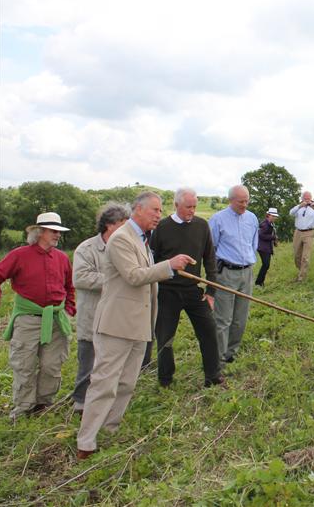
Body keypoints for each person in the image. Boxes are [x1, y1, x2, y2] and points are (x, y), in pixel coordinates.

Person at [76, 192, 194, 459]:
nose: (158, 214)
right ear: (137, 210)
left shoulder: (143, 240)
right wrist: (170, 265)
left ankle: (110, 430)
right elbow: (133, 276)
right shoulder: (121, 239)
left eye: (160, 210)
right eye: (154, 209)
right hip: (116, 324)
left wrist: (167, 267)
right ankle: (86, 441)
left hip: (139, 324)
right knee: (104, 383)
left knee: (128, 382)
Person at [0, 212, 75, 420]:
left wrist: (69, 309)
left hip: (57, 320)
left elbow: (70, 286)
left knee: (52, 365)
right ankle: (23, 409)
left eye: (59, 231)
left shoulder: (62, 258)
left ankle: (43, 405)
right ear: (39, 232)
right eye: (53, 231)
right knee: (25, 365)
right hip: (28, 319)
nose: (57, 235)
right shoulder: (19, 255)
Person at [150, 188, 225, 388]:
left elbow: (210, 259)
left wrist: (210, 292)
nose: (192, 211)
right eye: (188, 207)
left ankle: (213, 376)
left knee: (209, 331)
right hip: (167, 291)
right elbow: (152, 260)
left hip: (193, 290)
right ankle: (165, 380)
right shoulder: (162, 227)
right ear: (176, 205)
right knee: (165, 337)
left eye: (194, 206)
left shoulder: (202, 226)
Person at [71, 203, 131, 414]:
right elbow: (80, 278)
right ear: (108, 225)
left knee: (110, 365)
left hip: (116, 317)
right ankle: (80, 403)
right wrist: (114, 280)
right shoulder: (87, 249)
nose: (126, 230)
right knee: (88, 363)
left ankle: (106, 404)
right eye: (122, 225)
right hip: (92, 315)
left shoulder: (125, 247)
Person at [208, 185, 258, 364]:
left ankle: (231, 353)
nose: (244, 205)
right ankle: (218, 358)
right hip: (226, 273)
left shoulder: (252, 218)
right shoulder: (217, 219)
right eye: (240, 202)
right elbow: (210, 248)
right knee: (223, 318)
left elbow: (253, 243)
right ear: (231, 200)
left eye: (247, 201)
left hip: (246, 273)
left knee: (240, 318)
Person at [289, 191, 314, 283]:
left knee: (305, 257)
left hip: (309, 233)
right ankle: (300, 271)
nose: (307, 200)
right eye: (305, 198)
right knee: (297, 256)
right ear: (302, 198)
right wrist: (300, 206)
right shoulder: (299, 207)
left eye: (309, 198)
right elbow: (291, 213)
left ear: (311, 198)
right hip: (298, 232)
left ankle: (301, 278)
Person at [255, 208, 279, 287]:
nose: (275, 218)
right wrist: (273, 237)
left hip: (267, 247)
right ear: (268, 215)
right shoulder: (265, 224)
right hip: (263, 247)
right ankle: (259, 283)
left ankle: (260, 282)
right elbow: (261, 235)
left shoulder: (271, 223)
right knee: (266, 264)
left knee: (266, 265)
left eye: (275, 216)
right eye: (273, 216)